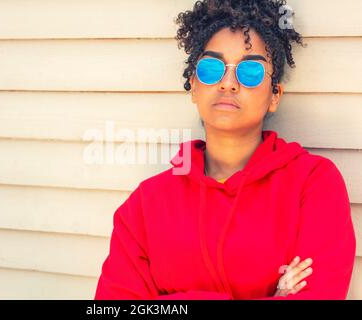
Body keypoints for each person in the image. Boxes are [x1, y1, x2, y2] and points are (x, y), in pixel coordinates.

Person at [94, 0, 356, 300]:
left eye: (251, 71)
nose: (228, 83)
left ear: (275, 96)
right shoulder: (145, 204)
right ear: (194, 85)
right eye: (211, 68)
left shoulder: (313, 184)